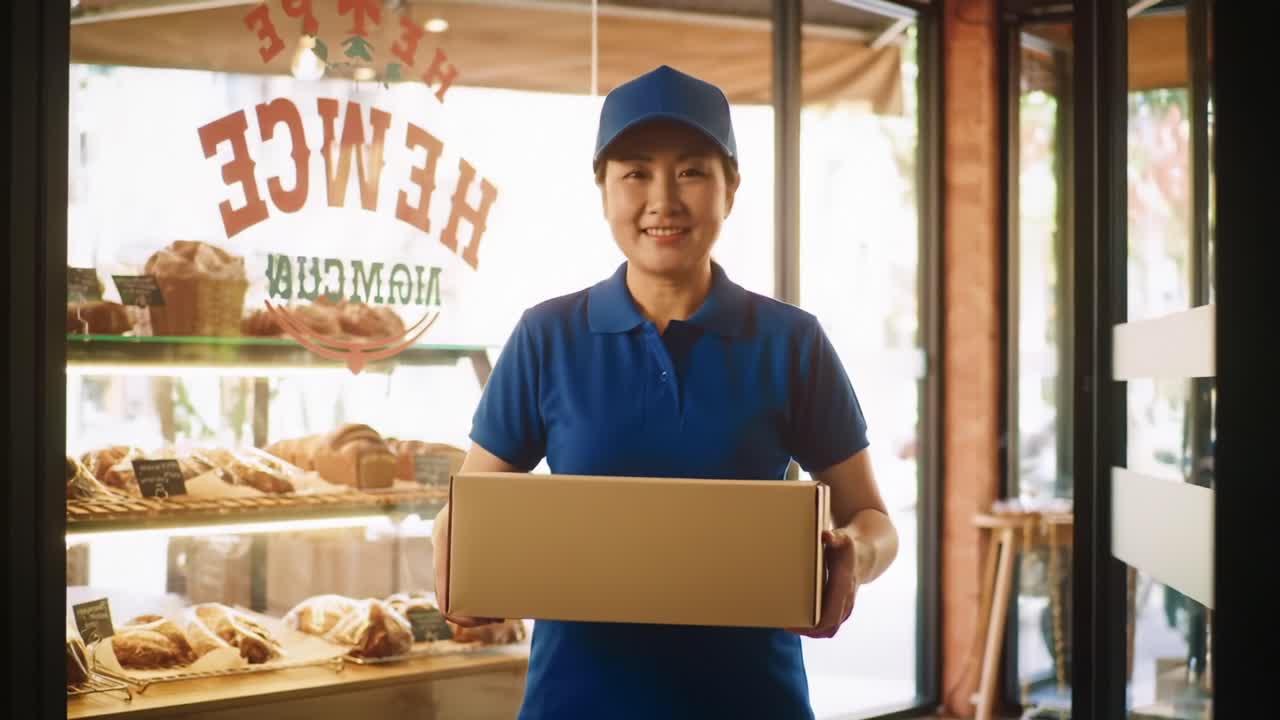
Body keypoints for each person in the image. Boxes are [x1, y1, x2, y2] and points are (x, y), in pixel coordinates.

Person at [432, 65, 899, 720]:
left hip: (751, 702)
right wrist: (454, 554)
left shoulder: (792, 342)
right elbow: (473, 506)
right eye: (635, 173)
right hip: (579, 702)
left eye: (691, 171)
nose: (663, 199)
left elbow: (873, 520)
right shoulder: (548, 336)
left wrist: (855, 556)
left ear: (730, 188)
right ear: (602, 191)